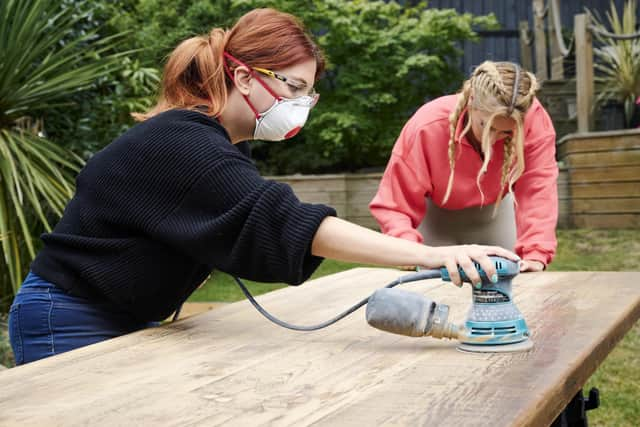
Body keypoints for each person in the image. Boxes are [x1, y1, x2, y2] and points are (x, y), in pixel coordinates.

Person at [8, 9, 518, 366]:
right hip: (67, 316)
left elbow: (252, 228)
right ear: (243, 76)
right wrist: (431, 255)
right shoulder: (181, 140)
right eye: (294, 87)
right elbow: (288, 222)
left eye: (309, 93)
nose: (302, 104)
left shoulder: (219, 143)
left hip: (120, 313)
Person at [370, 61, 558, 273]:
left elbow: (538, 189)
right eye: (485, 126)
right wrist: (404, 245)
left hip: (495, 215)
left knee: (512, 287)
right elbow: (395, 201)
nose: (492, 139)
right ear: (471, 102)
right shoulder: (427, 125)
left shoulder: (535, 122)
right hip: (435, 219)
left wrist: (536, 254)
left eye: (505, 133)